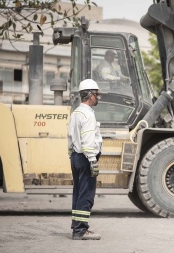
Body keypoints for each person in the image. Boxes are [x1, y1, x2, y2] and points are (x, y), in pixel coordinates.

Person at [67, 79, 103, 240]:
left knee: (78, 193)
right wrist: (92, 160)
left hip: (75, 156)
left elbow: (70, 137)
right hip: (85, 158)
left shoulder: (75, 113)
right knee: (86, 195)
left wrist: (71, 155)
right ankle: (81, 231)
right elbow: (87, 140)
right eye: (96, 94)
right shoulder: (88, 115)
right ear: (89, 95)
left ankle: (76, 227)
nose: (98, 97)